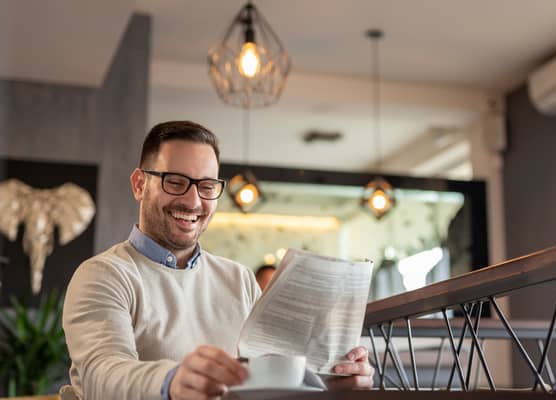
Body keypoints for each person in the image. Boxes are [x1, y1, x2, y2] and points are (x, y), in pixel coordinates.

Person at [62, 121, 374, 400]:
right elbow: (101, 376)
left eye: (207, 186)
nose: (193, 201)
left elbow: (268, 383)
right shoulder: (103, 275)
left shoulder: (238, 278)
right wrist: (172, 381)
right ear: (139, 184)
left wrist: (328, 385)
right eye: (175, 181)